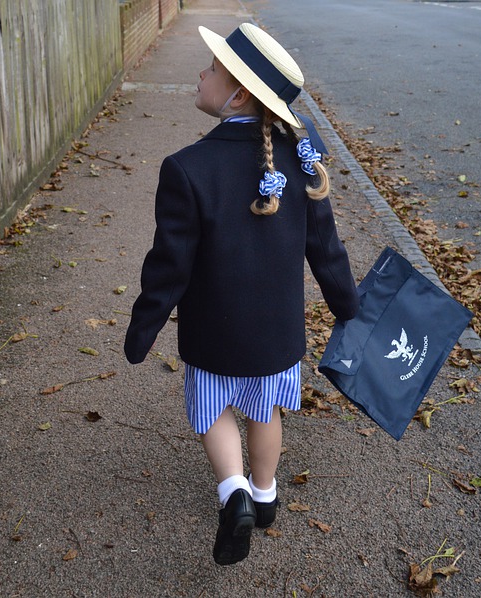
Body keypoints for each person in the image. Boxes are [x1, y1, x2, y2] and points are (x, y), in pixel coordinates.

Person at [124, 22, 358, 566]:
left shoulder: (187, 168)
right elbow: (326, 249)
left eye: (211, 68)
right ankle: (267, 493)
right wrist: (348, 307)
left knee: (212, 411)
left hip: (213, 333)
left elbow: (168, 266)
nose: (201, 73)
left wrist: (143, 328)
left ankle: (234, 493)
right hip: (277, 335)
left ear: (239, 93)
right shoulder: (302, 161)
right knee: (265, 409)